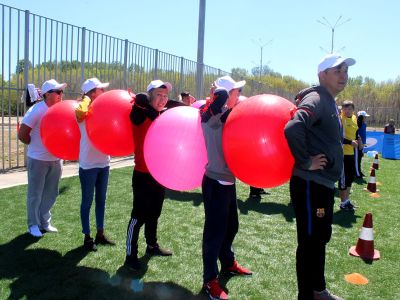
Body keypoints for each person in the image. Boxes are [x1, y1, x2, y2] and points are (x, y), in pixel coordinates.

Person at [285, 53, 356, 300]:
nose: (344, 76)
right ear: (322, 74)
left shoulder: (329, 101)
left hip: (322, 184)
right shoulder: (317, 98)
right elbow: (293, 127)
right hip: (309, 184)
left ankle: (318, 290)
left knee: (319, 239)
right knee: (310, 242)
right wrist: (306, 161)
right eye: (338, 71)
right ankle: (306, 295)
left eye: (346, 71)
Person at [200, 75, 252, 300]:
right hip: (215, 183)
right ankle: (210, 280)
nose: (239, 95)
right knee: (214, 234)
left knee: (231, 228)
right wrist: (218, 95)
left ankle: (228, 263)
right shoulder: (211, 115)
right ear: (225, 94)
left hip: (229, 181)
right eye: (236, 92)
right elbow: (209, 114)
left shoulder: (229, 115)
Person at [125, 80, 174, 270]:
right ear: (150, 98)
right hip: (143, 175)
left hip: (158, 176)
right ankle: (130, 255)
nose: (162, 99)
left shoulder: (163, 116)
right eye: (158, 95)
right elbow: (136, 109)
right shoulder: (139, 115)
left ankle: (152, 245)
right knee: (138, 216)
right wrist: (145, 107)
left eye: (165, 96)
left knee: (154, 214)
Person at [18, 79, 66, 237]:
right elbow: (22, 134)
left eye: (61, 92)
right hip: (38, 159)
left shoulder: (61, 109)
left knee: (51, 193)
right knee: (35, 194)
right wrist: (37, 146)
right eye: (57, 92)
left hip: (56, 159)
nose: (61, 95)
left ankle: (45, 222)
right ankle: (33, 225)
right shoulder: (36, 110)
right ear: (47, 94)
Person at [75, 78, 115, 252]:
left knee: (101, 200)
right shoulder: (82, 108)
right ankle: (87, 236)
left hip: (104, 162)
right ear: (92, 92)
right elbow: (80, 113)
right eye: (100, 89)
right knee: (87, 201)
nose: (104, 92)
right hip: (88, 164)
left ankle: (100, 233)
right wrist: (87, 99)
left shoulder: (103, 109)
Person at [339, 100, 359, 211]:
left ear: (353, 110)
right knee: (343, 179)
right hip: (341, 154)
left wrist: (359, 140)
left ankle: (347, 200)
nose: (347, 111)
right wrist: (350, 142)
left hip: (351, 153)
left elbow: (355, 132)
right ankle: (342, 203)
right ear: (342, 109)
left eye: (350, 109)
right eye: (345, 109)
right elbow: (337, 136)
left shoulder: (355, 118)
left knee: (350, 178)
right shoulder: (339, 119)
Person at [356, 110, 369, 178]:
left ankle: (359, 171)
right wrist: (360, 142)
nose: (366, 118)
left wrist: (364, 143)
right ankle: (357, 172)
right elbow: (357, 134)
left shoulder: (364, 124)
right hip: (358, 143)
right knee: (357, 158)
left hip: (362, 144)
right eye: (364, 117)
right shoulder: (357, 123)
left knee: (360, 158)